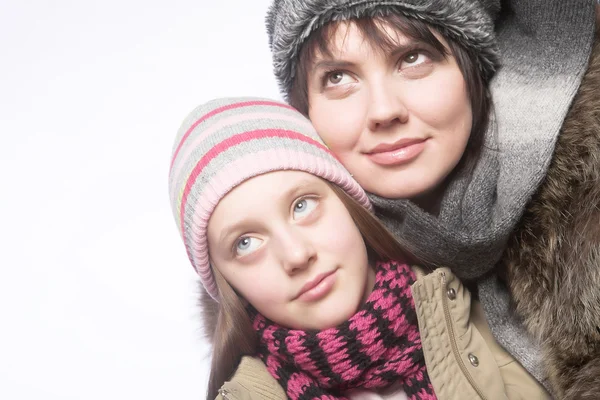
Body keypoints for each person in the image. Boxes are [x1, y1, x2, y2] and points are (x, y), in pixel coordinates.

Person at [264, 0, 600, 397]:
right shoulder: (289, 287)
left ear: (472, 69)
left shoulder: (586, 183)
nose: (384, 111)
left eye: (413, 57)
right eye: (338, 77)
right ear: (307, 112)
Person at [168, 97, 523, 400]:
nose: (296, 255)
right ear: (228, 283)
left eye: (302, 205)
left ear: (349, 202)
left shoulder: (510, 321)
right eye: (245, 244)